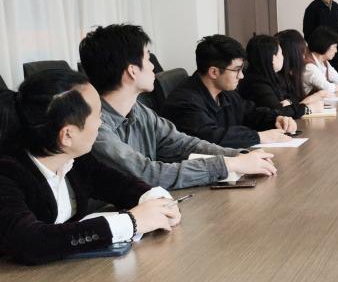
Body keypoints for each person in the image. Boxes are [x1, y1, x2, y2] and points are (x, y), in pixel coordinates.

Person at [0, 70, 181, 265]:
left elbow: (119, 184)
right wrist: (132, 222)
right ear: (67, 135)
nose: (101, 122)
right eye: (97, 115)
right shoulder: (7, 174)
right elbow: (31, 242)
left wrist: (158, 201)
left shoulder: (73, 160)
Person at [80, 24, 277, 190]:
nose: (153, 67)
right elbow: (148, 174)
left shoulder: (139, 111)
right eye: (148, 58)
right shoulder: (94, 126)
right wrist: (228, 164)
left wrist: (239, 156)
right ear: (132, 71)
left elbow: (183, 144)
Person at [161, 35, 297, 148]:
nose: (241, 76)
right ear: (214, 72)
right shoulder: (184, 102)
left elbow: (250, 112)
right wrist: (258, 137)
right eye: (236, 70)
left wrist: (276, 119)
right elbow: (211, 137)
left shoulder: (226, 92)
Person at [238, 34, 325, 119]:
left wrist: (289, 101)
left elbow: (294, 97)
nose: (283, 57)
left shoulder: (271, 76)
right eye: (281, 53)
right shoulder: (257, 83)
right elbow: (278, 113)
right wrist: (307, 108)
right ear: (273, 58)